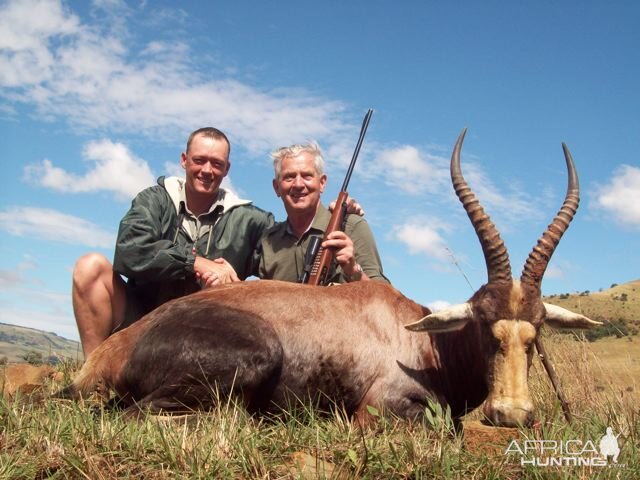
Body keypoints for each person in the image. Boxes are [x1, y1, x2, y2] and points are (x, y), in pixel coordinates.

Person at [72, 127, 274, 357]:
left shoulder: (251, 220)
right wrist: (195, 262)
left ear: (226, 169)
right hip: (141, 326)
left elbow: (285, 259)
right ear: (184, 160)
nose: (207, 170)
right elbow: (130, 251)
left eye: (216, 164)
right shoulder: (154, 200)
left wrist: (238, 289)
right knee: (90, 267)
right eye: (199, 160)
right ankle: (94, 378)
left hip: (210, 339)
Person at [258, 141, 388, 284]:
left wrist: (353, 270)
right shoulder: (267, 240)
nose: (298, 184)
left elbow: (382, 297)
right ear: (276, 187)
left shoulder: (352, 226)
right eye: (289, 177)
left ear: (322, 183)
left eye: (307, 176)